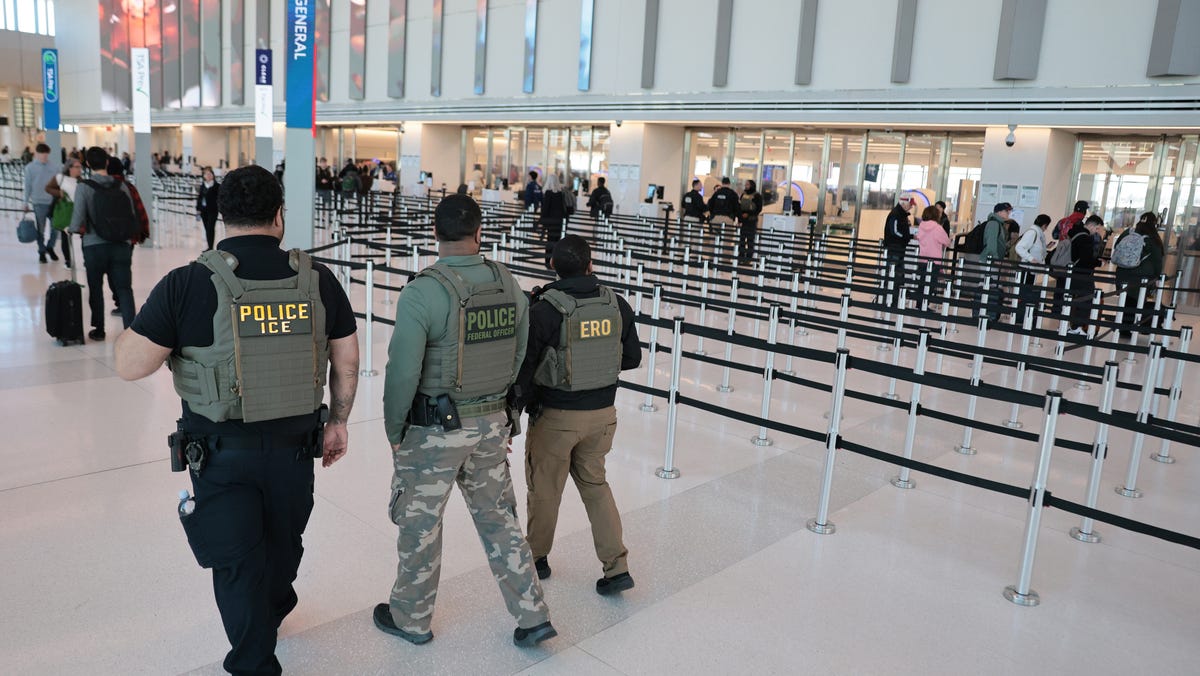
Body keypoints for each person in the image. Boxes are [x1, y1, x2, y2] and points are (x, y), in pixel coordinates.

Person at [112, 164, 359, 675]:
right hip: (295, 450)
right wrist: (338, 421)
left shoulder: (188, 283)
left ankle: (254, 656)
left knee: (236, 561)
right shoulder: (318, 279)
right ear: (278, 215)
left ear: (222, 217)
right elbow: (347, 360)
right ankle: (269, 615)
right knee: (284, 543)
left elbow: (130, 365)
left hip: (220, 455)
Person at [377, 193, 555, 648]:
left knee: (420, 524)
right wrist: (504, 414)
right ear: (480, 234)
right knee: (500, 519)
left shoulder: (423, 291)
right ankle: (533, 614)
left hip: (433, 432)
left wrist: (394, 429)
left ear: (435, 235)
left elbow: (403, 371)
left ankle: (412, 619)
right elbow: (519, 355)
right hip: (491, 424)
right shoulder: (507, 283)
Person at [515, 235, 642, 595]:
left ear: (552, 266)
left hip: (556, 418)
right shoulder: (616, 303)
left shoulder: (545, 309)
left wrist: (513, 413)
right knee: (596, 487)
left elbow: (524, 371)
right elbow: (632, 358)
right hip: (602, 417)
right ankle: (617, 568)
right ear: (591, 263)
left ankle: (536, 559)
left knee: (545, 491)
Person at [68, 147, 139, 340]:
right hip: (121, 245)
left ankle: (99, 329)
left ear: (88, 164)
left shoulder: (84, 187)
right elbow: (131, 215)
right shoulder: (122, 185)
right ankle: (131, 331)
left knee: (96, 288)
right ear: (107, 162)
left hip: (94, 246)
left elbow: (77, 220)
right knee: (124, 288)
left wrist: (71, 228)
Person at [107, 158, 152, 318]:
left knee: (112, 272)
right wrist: (143, 233)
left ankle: (119, 302)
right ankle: (125, 309)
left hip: (108, 238)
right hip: (128, 238)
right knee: (123, 273)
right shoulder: (129, 187)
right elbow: (140, 210)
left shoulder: (104, 186)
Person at [1113, 212, 1165, 336]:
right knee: (1135, 301)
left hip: (1122, 272)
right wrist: (1157, 276)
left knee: (1125, 301)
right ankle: (1129, 327)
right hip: (1140, 276)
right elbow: (1157, 260)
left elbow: (1117, 246)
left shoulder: (1128, 232)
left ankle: (1123, 328)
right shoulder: (1153, 238)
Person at [1064, 214, 1105, 334]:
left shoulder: (1075, 233)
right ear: (1091, 225)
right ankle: (1077, 327)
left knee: (1073, 299)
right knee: (1086, 298)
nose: (1097, 232)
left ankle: (1070, 325)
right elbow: (1086, 259)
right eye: (1097, 229)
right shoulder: (1086, 238)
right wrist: (1098, 263)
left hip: (1073, 271)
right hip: (1083, 273)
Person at [23, 142, 63, 264]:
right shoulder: (30, 168)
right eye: (42, 155)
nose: (44, 157)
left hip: (53, 203)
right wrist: (25, 202)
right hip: (38, 203)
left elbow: (59, 183)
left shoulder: (55, 167)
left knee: (56, 229)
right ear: (37, 154)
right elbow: (28, 186)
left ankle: (50, 247)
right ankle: (41, 251)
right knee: (40, 229)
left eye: (46, 155)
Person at [43, 158, 83, 268]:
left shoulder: (81, 181)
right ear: (69, 168)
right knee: (65, 237)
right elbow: (47, 188)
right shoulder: (60, 178)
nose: (80, 169)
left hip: (78, 211)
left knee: (83, 235)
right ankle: (68, 260)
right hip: (65, 211)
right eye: (77, 167)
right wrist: (59, 193)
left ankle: (84, 260)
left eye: (80, 167)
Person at [978, 202, 1012, 321]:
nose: (1008, 213)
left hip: (992, 260)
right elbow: (991, 244)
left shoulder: (999, 224)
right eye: (1006, 211)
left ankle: (989, 311)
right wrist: (996, 259)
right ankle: (984, 312)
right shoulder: (993, 224)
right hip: (990, 260)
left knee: (991, 286)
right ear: (999, 212)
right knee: (988, 285)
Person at [1013, 213, 1052, 318]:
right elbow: (1019, 248)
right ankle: (1019, 316)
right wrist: (1031, 259)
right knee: (1023, 294)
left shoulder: (1038, 234)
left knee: (1026, 294)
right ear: (1044, 225)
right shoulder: (1032, 233)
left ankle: (1023, 315)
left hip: (1031, 270)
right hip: (1026, 269)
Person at [914, 204, 951, 305]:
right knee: (930, 284)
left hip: (922, 259)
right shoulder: (937, 228)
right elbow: (946, 242)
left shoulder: (921, 226)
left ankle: (919, 304)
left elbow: (918, 237)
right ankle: (924, 305)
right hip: (934, 261)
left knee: (922, 283)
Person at [882, 196, 916, 307]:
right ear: (904, 204)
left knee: (898, 275)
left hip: (899, 248)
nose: (911, 207)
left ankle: (895, 300)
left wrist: (907, 237)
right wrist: (907, 237)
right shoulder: (895, 214)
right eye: (910, 204)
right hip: (894, 248)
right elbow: (894, 231)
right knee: (893, 275)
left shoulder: (901, 214)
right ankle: (888, 300)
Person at [539, 174, 567, 267]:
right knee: (557, 242)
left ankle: (548, 262)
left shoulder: (548, 193)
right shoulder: (561, 193)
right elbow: (563, 208)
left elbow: (545, 208)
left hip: (551, 222)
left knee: (550, 241)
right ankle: (555, 262)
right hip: (559, 221)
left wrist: (542, 221)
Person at [736, 179, 764, 264]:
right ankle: (741, 257)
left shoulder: (757, 196)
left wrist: (749, 214)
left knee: (750, 240)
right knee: (742, 240)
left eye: (747, 184)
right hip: (743, 221)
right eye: (746, 184)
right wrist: (740, 218)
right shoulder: (743, 195)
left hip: (751, 220)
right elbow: (739, 206)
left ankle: (748, 259)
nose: (746, 186)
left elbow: (758, 209)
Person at [197, 167, 221, 251]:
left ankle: (210, 247)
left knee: (211, 228)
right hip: (204, 210)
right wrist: (198, 209)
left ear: (213, 175)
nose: (208, 175)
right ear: (204, 176)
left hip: (213, 210)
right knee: (207, 228)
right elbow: (200, 198)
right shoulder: (203, 185)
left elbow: (219, 198)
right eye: (206, 174)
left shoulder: (217, 186)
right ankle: (209, 246)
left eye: (210, 174)